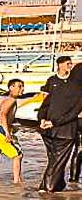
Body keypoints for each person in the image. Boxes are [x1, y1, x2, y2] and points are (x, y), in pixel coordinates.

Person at [38, 56, 82, 192]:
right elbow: (73, 113)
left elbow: (45, 104)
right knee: (57, 161)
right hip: (63, 130)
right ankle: (48, 188)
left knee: (54, 160)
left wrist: (43, 120)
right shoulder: (78, 89)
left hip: (48, 129)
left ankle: (55, 185)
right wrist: (48, 121)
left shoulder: (58, 84)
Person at [0, 79, 27, 184]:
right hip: (1, 131)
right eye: (19, 86)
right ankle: (17, 182)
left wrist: (11, 127)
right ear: (11, 88)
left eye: (22, 86)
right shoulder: (11, 101)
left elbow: (3, 116)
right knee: (18, 155)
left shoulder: (6, 99)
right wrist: (7, 132)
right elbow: (3, 114)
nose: (22, 89)